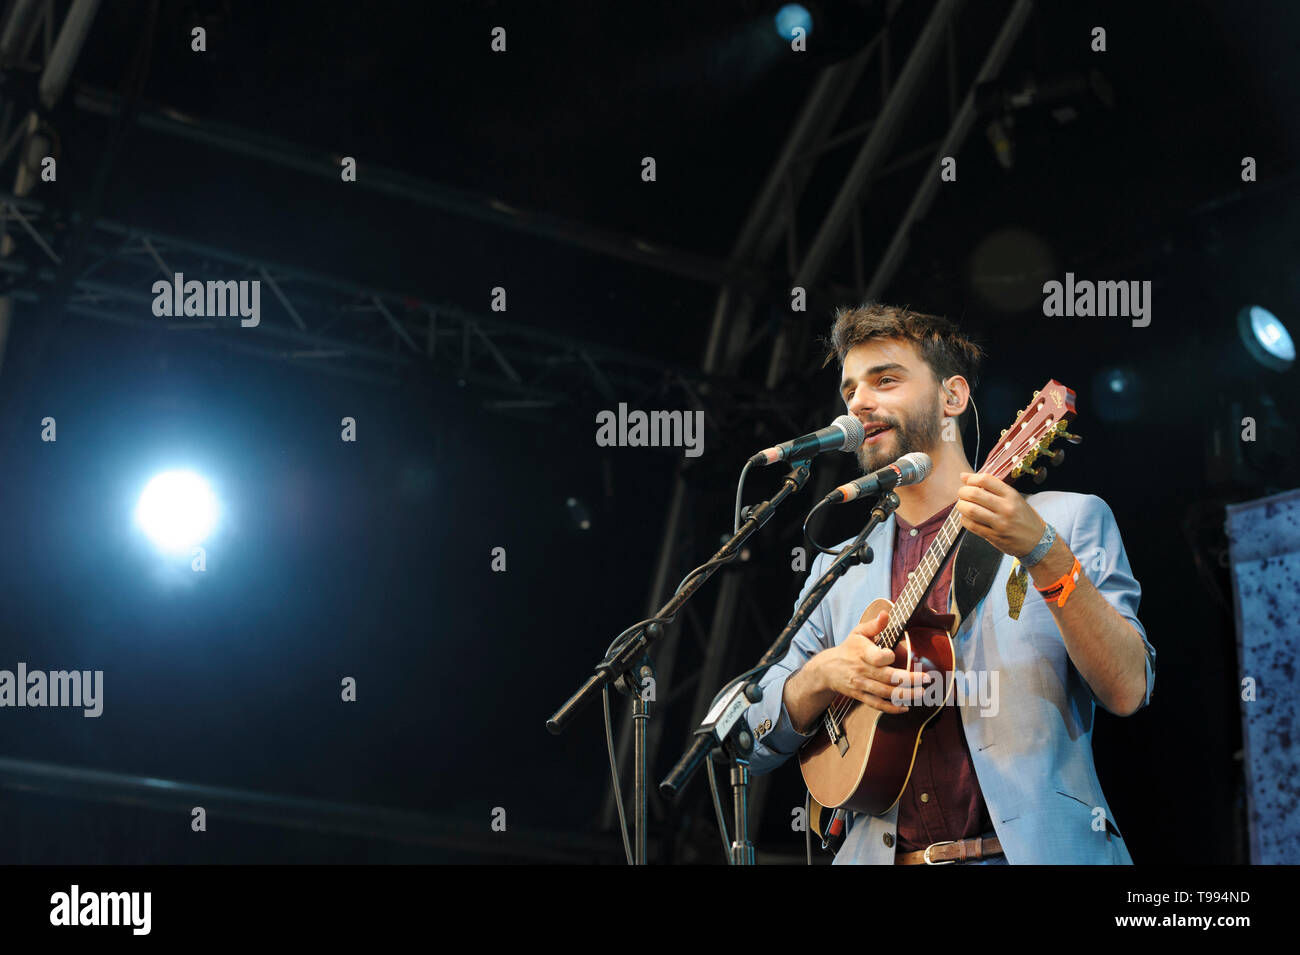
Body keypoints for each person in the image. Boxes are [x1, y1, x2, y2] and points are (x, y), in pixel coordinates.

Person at [744, 304, 1155, 864]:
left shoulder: (1067, 521)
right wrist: (822, 674)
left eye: (885, 379)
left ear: (952, 397)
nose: (860, 402)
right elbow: (748, 735)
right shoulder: (838, 567)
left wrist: (1044, 554)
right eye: (850, 391)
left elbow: (1129, 688)